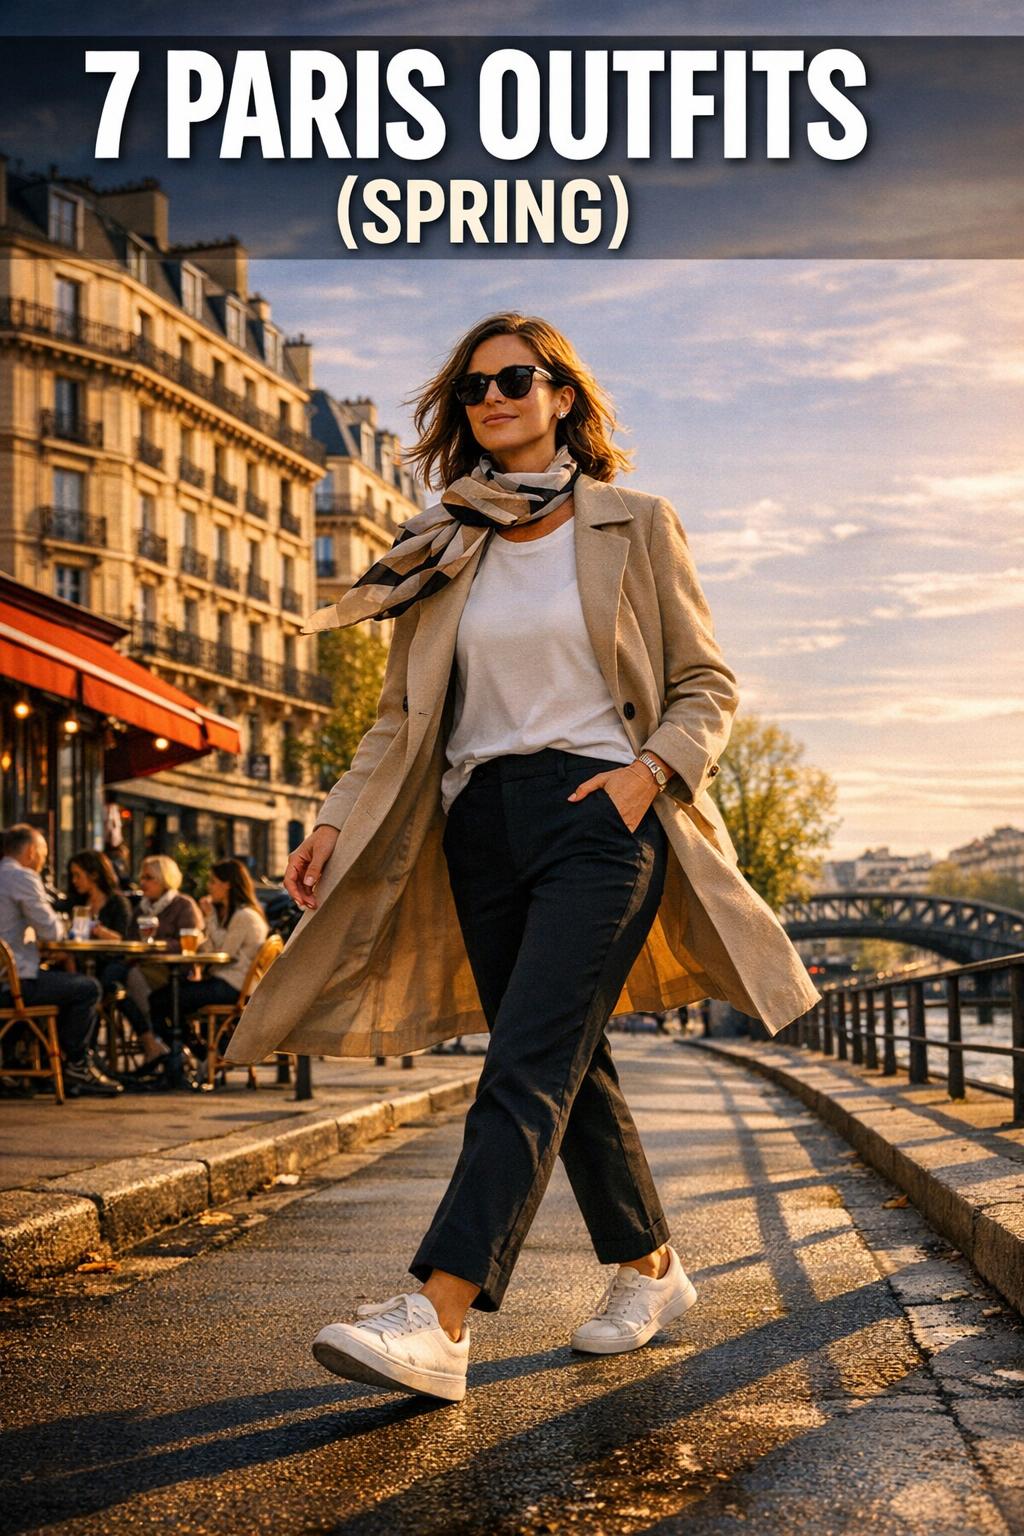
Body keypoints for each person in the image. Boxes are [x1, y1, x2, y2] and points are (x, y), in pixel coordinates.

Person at [223, 310, 822, 1403]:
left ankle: (441, 1317)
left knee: (525, 1062)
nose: (490, 398)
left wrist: (647, 776)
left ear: (561, 398)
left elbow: (706, 684)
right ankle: (650, 1268)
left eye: (513, 379)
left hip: (601, 814)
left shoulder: (632, 522)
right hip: (477, 824)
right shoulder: (445, 543)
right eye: (471, 388)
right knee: (558, 1057)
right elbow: (402, 721)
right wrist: (330, 820)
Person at [0, 825, 122, 1097]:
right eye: (43, 854)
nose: (43, 861)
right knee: (87, 988)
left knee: (62, 982)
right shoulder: (22, 878)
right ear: (31, 852)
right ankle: (76, 1064)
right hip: (12, 984)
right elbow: (52, 931)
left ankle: (15, 1064)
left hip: (7, 978)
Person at [148, 859, 268, 1044]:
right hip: (225, 982)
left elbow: (224, 954)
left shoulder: (244, 916)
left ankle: (187, 1055)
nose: (209, 886)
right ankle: (194, 1054)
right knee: (168, 998)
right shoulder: (231, 914)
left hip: (233, 987)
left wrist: (210, 916)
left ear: (227, 885)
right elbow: (213, 948)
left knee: (161, 1000)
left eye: (212, 881)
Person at [113, 855, 204, 1073]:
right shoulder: (141, 908)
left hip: (175, 971)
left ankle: (154, 1041)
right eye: (142, 877)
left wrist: (158, 946)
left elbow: (190, 940)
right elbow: (130, 942)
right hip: (144, 968)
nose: (143, 883)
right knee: (118, 984)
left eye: (149, 878)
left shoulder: (182, 905)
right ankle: (157, 1042)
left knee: (122, 979)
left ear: (164, 879)